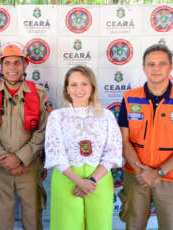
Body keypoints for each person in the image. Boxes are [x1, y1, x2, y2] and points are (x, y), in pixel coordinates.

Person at [117, 44, 173, 230]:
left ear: (171, 67)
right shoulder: (130, 98)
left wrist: (158, 173)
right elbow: (124, 140)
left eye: (162, 63)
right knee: (133, 224)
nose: (156, 68)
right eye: (151, 64)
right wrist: (142, 172)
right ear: (144, 68)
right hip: (136, 176)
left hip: (171, 176)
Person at [44, 65, 122, 230]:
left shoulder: (106, 116)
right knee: (66, 226)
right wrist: (79, 182)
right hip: (67, 180)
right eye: (73, 84)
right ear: (67, 89)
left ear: (92, 87)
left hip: (99, 181)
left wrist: (91, 181)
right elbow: (55, 154)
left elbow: (113, 152)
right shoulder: (57, 117)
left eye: (84, 83)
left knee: (99, 226)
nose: (79, 89)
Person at [0, 42, 48, 230]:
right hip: (0, 168)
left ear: (25, 65)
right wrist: (6, 160)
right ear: (1, 66)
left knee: (33, 218)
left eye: (17, 63)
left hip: (28, 168)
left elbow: (43, 131)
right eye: (7, 63)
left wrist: (20, 158)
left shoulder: (38, 94)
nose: (12, 68)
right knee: (2, 220)